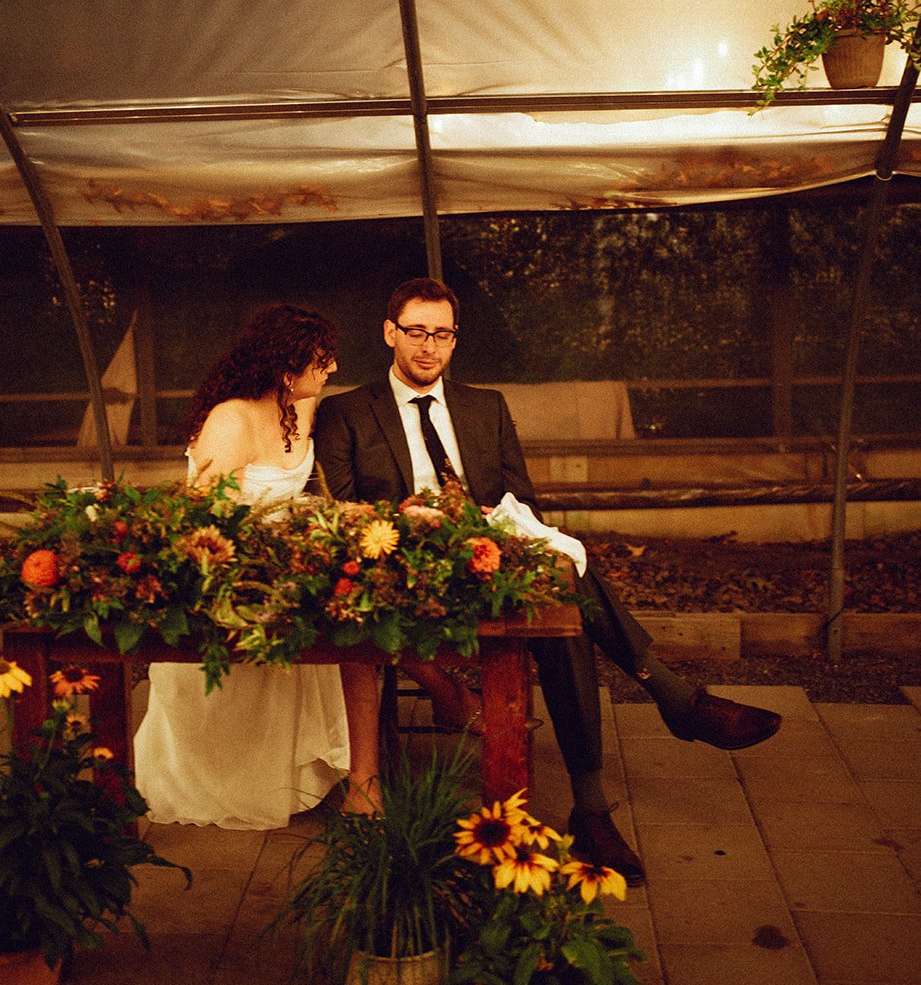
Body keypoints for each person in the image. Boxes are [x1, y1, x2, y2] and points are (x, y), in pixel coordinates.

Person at [314, 276, 782, 884]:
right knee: (564, 598)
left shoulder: (487, 407)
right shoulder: (349, 411)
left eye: (442, 334)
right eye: (416, 332)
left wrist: (496, 526)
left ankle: (601, 797)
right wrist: (405, 516)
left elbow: (523, 500)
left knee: (561, 592)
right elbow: (337, 512)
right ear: (389, 333)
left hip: (493, 551)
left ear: (456, 340)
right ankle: (662, 708)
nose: (429, 347)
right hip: (406, 565)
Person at [134, 304, 381, 828]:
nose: (332, 370)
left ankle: (361, 778)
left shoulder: (303, 407)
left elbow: (297, 495)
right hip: (226, 576)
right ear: (286, 369)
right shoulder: (231, 420)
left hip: (287, 566)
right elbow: (199, 521)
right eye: (322, 361)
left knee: (359, 615)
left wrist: (332, 516)